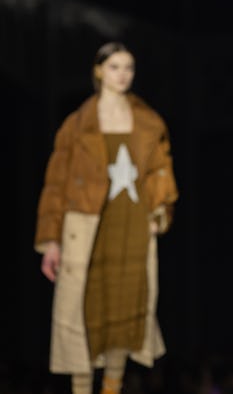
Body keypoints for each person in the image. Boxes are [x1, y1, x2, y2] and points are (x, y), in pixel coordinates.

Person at [35, 42, 179, 394]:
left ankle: (112, 389)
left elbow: (162, 170)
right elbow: (56, 182)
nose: (123, 74)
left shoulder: (148, 121)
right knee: (82, 310)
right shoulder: (77, 125)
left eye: (128, 67)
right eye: (114, 66)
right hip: (84, 224)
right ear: (99, 70)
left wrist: (159, 212)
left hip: (131, 223)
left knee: (124, 308)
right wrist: (51, 240)